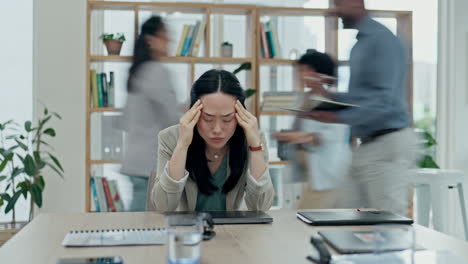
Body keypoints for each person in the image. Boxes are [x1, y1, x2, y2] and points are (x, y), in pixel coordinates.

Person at [302, 0, 420, 215]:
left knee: (387, 222)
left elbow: (383, 102)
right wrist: (329, 97)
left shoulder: (381, 40)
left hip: (387, 143)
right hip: (366, 145)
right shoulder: (362, 44)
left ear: (356, 2)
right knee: (344, 215)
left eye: (338, 4)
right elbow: (363, 97)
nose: (334, 10)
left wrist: (337, 118)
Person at [150, 69, 275, 212]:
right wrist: (182, 145)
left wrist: (254, 146)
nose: (217, 129)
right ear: (193, 113)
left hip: (235, 232)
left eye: (227, 119)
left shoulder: (252, 139)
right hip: (188, 232)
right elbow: (163, 206)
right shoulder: (170, 138)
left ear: (240, 115)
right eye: (207, 118)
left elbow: (261, 207)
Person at [274, 51, 351, 209]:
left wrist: (300, 137)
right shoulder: (305, 98)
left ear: (320, 73)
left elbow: (331, 136)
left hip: (330, 172)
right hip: (312, 173)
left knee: (305, 220)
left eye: (306, 70)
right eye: (300, 70)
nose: (302, 75)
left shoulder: (334, 100)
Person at [120, 16, 180, 211]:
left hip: (136, 161)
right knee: (143, 227)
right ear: (150, 39)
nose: (169, 40)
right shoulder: (156, 71)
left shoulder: (139, 70)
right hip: (149, 165)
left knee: (140, 225)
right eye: (164, 35)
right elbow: (172, 120)